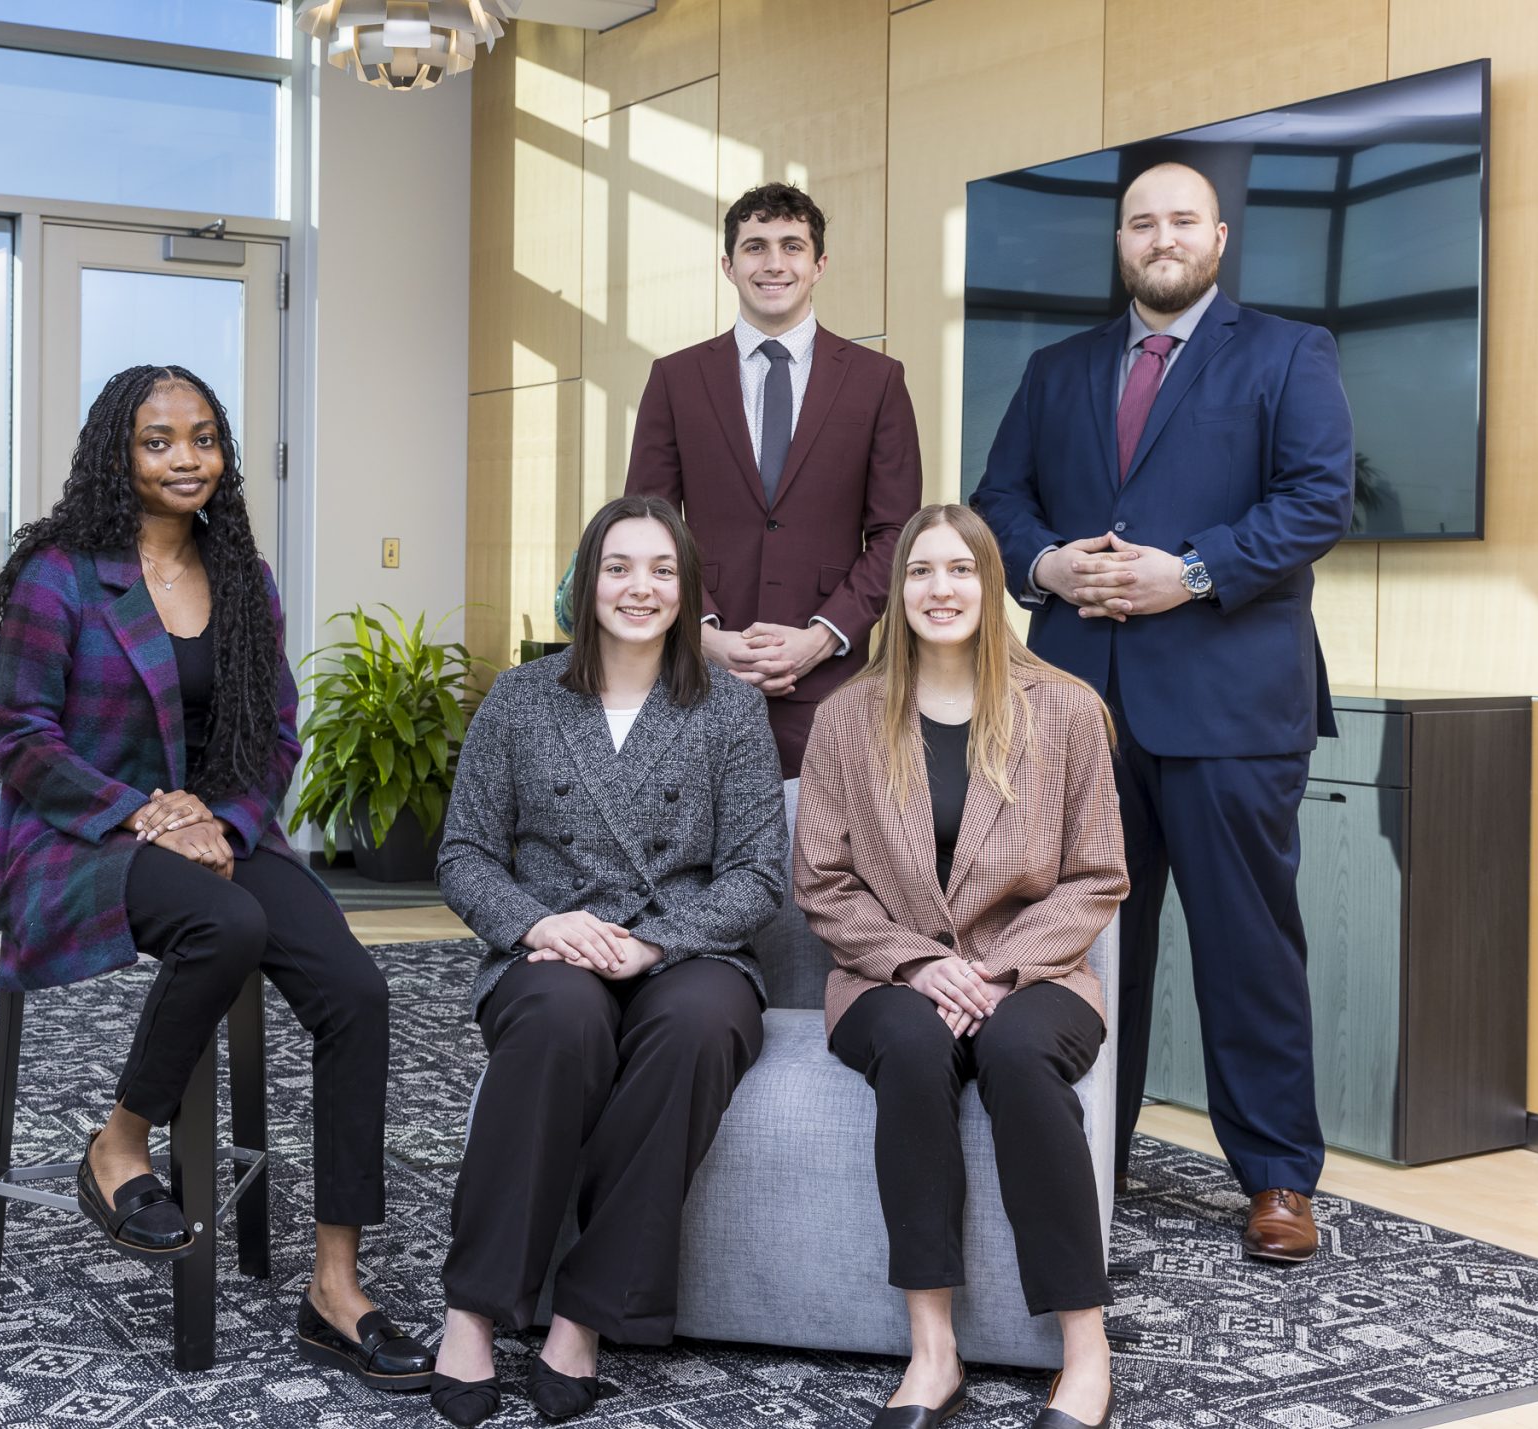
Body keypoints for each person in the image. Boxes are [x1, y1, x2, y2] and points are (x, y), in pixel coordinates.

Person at [0, 365, 434, 1392]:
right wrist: (146, 812)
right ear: (117, 453)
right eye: (157, 439)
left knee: (357, 992)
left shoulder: (241, 574)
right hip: (79, 835)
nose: (184, 456)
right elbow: (19, 739)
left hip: (217, 833)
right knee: (224, 926)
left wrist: (212, 819)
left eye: (202, 437)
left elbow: (274, 736)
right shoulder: (59, 571)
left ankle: (335, 1287)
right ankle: (120, 1142)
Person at [971, 161, 1356, 1263]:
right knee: (1083, 951)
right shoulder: (1055, 370)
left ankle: (1278, 1178)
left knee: (1247, 950)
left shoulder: (1287, 353)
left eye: (1181, 219)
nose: (1160, 236)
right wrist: (1044, 563)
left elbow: (1315, 499)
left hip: (1232, 708)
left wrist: (1185, 572)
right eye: (1141, 222)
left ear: (1218, 240)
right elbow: (1000, 502)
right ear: (1120, 243)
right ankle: (1094, 1146)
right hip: (1078, 714)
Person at [430, 494, 787, 1426]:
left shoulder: (731, 708)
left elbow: (757, 875)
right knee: (558, 1021)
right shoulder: (521, 697)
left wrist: (658, 941)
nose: (641, 586)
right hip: (555, 947)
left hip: (688, 947)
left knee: (700, 1027)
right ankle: (473, 1306)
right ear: (585, 583)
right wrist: (541, 925)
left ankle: (584, 1314)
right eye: (620, 566)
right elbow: (464, 852)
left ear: (689, 590)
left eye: (663, 570)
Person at [795, 504, 1127, 1429]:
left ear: (991, 585)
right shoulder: (848, 716)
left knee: (1020, 1057)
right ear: (896, 593)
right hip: (886, 977)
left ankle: (1086, 1351)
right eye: (921, 572)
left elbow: (1099, 877)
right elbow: (822, 883)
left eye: (962, 570)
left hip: (1040, 972)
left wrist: (997, 972)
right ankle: (932, 1350)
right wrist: (914, 964)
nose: (941, 590)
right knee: (909, 1043)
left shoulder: (1064, 708)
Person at [625, 181, 922, 792]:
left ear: (819, 265)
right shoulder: (675, 378)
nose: (774, 263)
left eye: (792, 246)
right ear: (729, 265)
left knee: (816, 877)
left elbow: (897, 532)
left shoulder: (877, 381)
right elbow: (645, 528)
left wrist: (822, 637)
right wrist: (705, 636)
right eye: (755, 247)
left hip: (826, 681)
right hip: (695, 675)